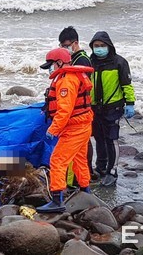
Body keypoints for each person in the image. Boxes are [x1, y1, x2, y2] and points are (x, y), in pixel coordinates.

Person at [36, 48, 94, 213]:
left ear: (60, 63)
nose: (50, 68)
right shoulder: (72, 77)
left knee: (57, 160)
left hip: (74, 127)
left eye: (51, 65)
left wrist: (53, 129)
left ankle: (57, 200)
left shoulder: (66, 81)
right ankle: (85, 191)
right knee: (79, 159)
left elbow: (64, 111)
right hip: (83, 124)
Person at [88, 31, 136, 187]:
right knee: (99, 138)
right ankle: (101, 167)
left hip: (113, 107)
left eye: (102, 46)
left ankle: (112, 171)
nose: (99, 48)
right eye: (96, 46)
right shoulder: (90, 62)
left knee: (111, 139)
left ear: (109, 46)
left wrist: (130, 103)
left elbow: (127, 85)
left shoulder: (119, 62)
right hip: (95, 107)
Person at [58, 26, 96, 183]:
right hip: (81, 111)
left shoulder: (81, 60)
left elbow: (77, 88)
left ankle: (76, 180)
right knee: (82, 146)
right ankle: (84, 179)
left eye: (66, 45)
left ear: (75, 43)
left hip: (80, 111)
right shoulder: (75, 58)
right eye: (61, 45)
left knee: (79, 147)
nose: (64, 48)